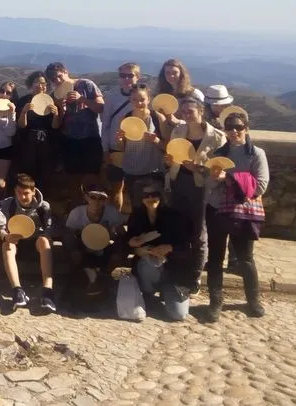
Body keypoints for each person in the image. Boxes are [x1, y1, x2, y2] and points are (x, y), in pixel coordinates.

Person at [204, 112, 269, 321]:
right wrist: (215, 178)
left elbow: (260, 186)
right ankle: (215, 301)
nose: (234, 131)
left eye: (238, 127)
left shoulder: (256, 154)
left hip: (243, 212)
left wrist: (229, 178)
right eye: (229, 127)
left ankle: (253, 300)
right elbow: (210, 185)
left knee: (246, 258)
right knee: (215, 257)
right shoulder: (218, 154)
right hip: (217, 210)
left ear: (246, 128)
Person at [166, 98, 226, 292]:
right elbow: (172, 159)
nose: (186, 114)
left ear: (201, 112)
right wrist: (168, 160)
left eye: (190, 111)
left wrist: (197, 169)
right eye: (183, 111)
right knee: (179, 228)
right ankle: (177, 270)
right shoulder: (177, 132)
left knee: (199, 233)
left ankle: (195, 277)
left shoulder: (216, 137)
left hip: (201, 187)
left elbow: (219, 169)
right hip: (178, 183)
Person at [126, 180, 195, 321]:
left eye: (154, 195)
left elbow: (188, 249)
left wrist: (170, 248)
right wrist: (134, 247)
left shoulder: (175, 217)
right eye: (146, 195)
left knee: (179, 314)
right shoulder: (136, 217)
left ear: (161, 196)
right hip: (148, 269)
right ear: (141, 198)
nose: (150, 199)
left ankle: (168, 294)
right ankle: (148, 295)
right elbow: (125, 242)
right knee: (147, 265)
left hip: (173, 272)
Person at [0, 174, 56, 313]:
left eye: (26, 193)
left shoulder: (44, 207)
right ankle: (17, 290)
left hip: (36, 242)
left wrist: (46, 236)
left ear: (33, 192)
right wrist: (6, 237)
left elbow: (49, 229)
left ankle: (47, 291)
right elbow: (0, 226)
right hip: (16, 241)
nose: (22, 197)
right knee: (7, 246)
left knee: (44, 241)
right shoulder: (8, 204)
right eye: (19, 193)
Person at [63, 181, 127, 297]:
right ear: (86, 197)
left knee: (121, 245)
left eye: (101, 198)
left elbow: (122, 233)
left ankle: (99, 276)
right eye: (93, 197)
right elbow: (69, 234)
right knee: (71, 245)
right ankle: (94, 278)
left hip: (104, 246)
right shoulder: (77, 212)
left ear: (105, 200)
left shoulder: (112, 212)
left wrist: (112, 233)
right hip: (83, 248)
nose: (96, 201)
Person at [46, 62, 104, 179]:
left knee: (91, 176)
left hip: (91, 138)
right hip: (69, 140)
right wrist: (61, 109)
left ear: (66, 72)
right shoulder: (54, 96)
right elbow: (57, 124)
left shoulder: (86, 84)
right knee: (72, 176)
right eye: (53, 79)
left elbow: (101, 108)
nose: (57, 80)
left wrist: (82, 99)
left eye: (59, 76)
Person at [112, 85, 165, 210]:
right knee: (137, 208)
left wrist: (156, 140)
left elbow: (167, 146)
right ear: (130, 100)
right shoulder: (125, 119)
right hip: (132, 171)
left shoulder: (157, 118)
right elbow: (122, 147)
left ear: (149, 99)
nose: (139, 103)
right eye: (135, 99)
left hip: (154, 172)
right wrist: (119, 140)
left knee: (155, 209)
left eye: (142, 99)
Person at [100, 63, 140, 210]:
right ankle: (116, 223)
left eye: (130, 75)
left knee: (136, 189)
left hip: (136, 149)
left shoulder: (143, 97)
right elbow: (105, 125)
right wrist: (105, 150)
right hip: (115, 148)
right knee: (116, 189)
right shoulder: (111, 97)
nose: (126, 79)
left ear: (137, 77)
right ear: (119, 78)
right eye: (123, 76)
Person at [15, 71, 60, 188]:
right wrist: (24, 112)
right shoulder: (23, 101)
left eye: (44, 83)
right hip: (27, 144)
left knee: (45, 174)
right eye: (37, 83)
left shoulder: (51, 101)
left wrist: (56, 115)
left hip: (47, 144)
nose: (41, 86)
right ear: (31, 85)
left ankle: (41, 200)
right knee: (27, 174)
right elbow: (21, 125)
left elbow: (55, 127)